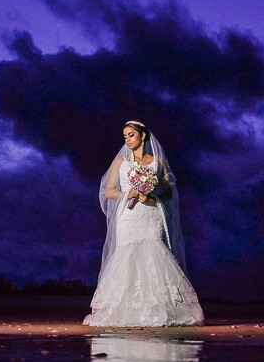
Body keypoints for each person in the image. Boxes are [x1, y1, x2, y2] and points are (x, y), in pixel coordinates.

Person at [83, 121, 204, 327]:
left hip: (151, 214)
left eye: (131, 135)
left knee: (155, 252)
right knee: (127, 255)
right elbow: (108, 191)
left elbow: (168, 191)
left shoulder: (157, 162)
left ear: (143, 136)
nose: (127, 140)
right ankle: (125, 311)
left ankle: (162, 310)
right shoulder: (121, 162)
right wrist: (127, 194)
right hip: (129, 216)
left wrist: (151, 194)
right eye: (125, 137)